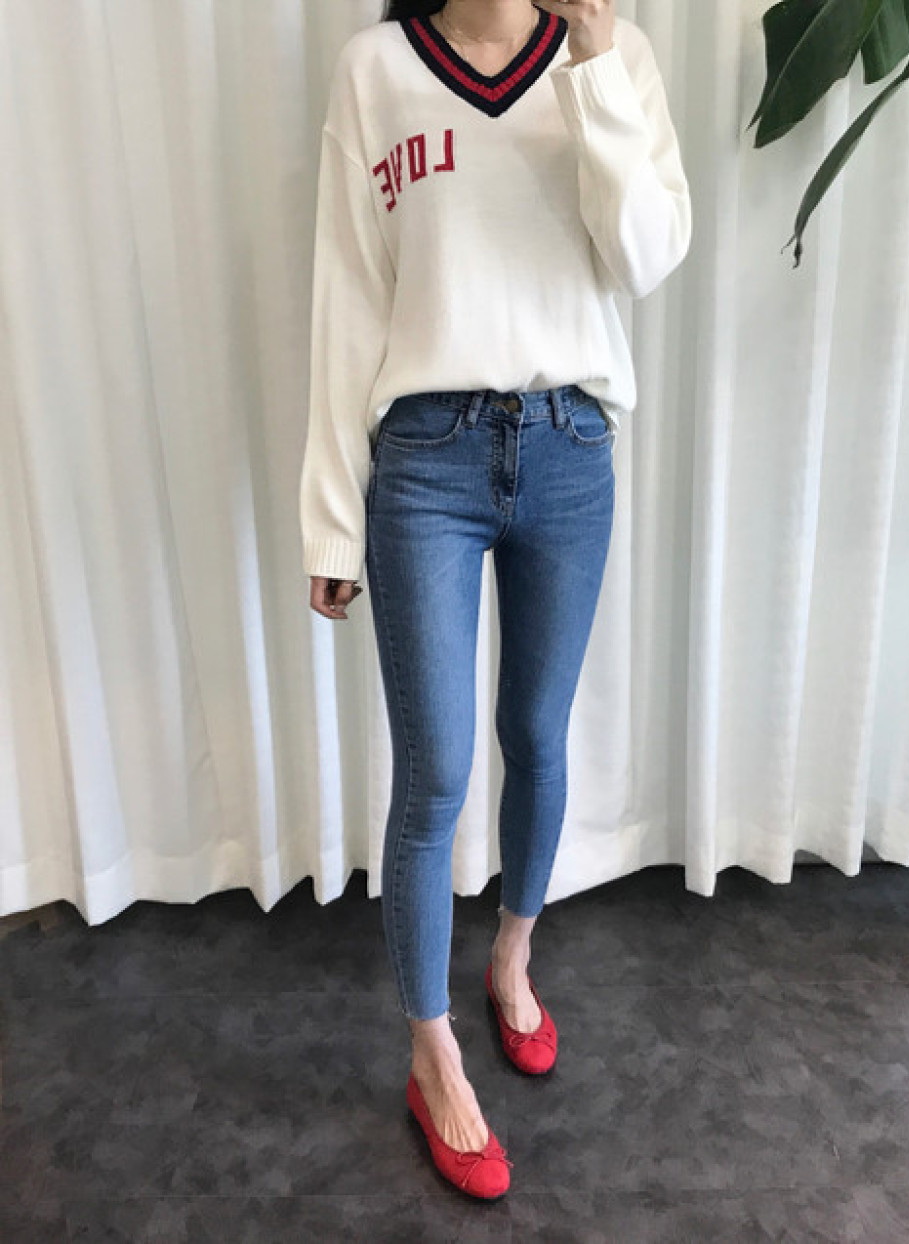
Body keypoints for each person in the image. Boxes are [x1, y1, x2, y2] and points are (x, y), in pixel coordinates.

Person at [299, 0, 691, 1199]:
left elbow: (647, 256)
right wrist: (331, 514)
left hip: (571, 448)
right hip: (426, 458)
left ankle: (513, 956)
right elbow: (347, 298)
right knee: (437, 771)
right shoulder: (376, 70)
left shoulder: (617, 58)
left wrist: (595, 65)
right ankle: (432, 1052)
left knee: (538, 735)